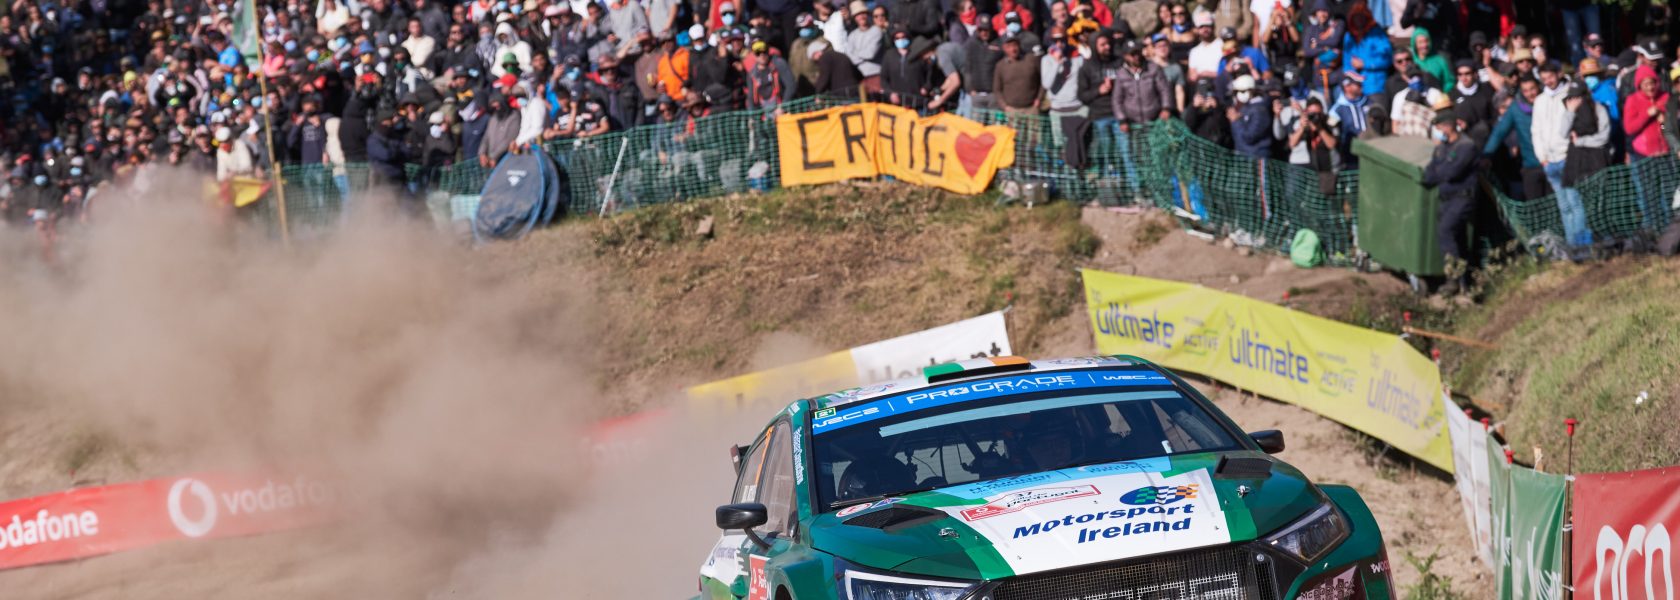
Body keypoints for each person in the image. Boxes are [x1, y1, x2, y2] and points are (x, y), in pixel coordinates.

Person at [1421, 110, 1477, 292]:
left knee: (1446, 231)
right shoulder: (1442, 148)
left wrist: (1441, 171)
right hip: (1446, 199)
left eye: (1440, 127)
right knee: (1457, 239)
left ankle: (1453, 278)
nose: (1439, 131)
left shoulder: (1466, 146)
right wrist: (1440, 171)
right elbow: (1429, 173)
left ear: (1449, 126)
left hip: (1462, 197)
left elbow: (1452, 172)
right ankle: (1464, 281)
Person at [1483, 75, 1545, 201]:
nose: (1530, 94)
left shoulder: (1548, 102)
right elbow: (1499, 132)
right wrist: (1486, 155)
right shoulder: (1516, 108)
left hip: (1553, 161)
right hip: (1531, 164)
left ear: (1538, 87)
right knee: (1535, 203)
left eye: (1532, 89)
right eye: (1525, 91)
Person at [1340, 2, 1391, 99]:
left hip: (1375, 87)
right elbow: (1346, 63)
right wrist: (1350, 82)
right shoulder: (1349, 37)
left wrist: (1365, 64)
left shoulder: (1377, 34)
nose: (1359, 20)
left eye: (1361, 16)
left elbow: (1386, 59)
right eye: (1356, 17)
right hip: (1355, 89)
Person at [1229, 75, 1271, 159]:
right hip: (1244, 155)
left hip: (1255, 157)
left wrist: (1236, 121)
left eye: (1242, 91)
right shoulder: (1245, 107)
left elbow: (1250, 137)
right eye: (1237, 92)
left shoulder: (1260, 110)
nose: (1238, 95)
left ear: (1251, 91)